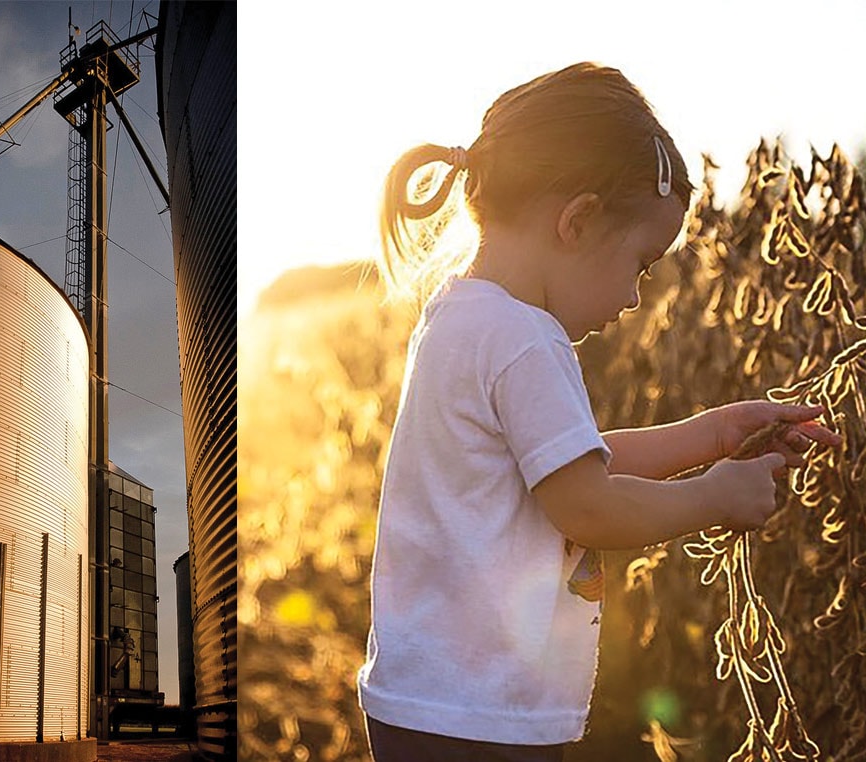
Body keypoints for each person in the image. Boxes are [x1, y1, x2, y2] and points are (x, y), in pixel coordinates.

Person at [355, 62, 841, 762]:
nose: (636, 297)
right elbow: (589, 507)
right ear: (578, 220)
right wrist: (716, 496)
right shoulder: (525, 338)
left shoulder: (463, 316)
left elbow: (568, 460)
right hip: (481, 720)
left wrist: (713, 432)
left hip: (431, 705)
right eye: (641, 263)